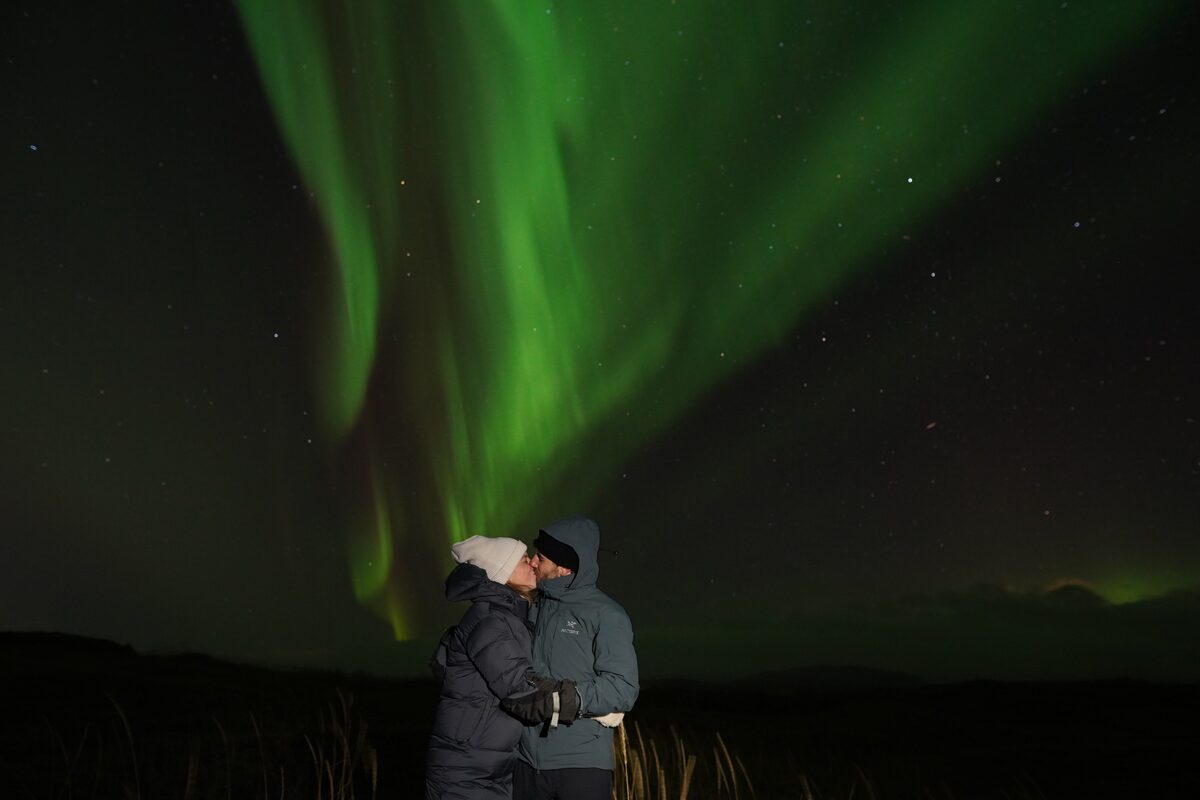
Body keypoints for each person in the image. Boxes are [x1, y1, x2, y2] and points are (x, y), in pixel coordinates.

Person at [426, 535, 580, 800]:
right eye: (522, 560)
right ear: (501, 572)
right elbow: (520, 688)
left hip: (489, 766)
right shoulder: (489, 621)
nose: (533, 564)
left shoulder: (510, 616)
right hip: (465, 770)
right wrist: (584, 700)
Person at [515, 516, 640, 800]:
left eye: (541, 558)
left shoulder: (607, 615)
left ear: (563, 568)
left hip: (580, 765)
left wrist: (564, 699)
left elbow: (623, 688)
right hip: (524, 761)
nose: (533, 562)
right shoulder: (532, 606)